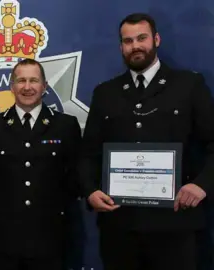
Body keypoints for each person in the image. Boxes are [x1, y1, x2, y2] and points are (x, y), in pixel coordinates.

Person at [79, 13, 214, 270]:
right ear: (121, 47)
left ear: (157, 39)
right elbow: (88, 153)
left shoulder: (188, 85)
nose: (135, 46)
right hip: (120, 226)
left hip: (174, 224)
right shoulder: (105, 93)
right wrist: (89, 191)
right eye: (127, 41)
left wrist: (202, 185)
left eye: (141, 38)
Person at [0, 58, 82, 270]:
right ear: (11, 86)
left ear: (44, 86)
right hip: (3, 240)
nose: (27, 87)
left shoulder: (65, 126)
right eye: (21, 80)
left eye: (33, 80)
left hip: (51, 239)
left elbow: (75, 177)